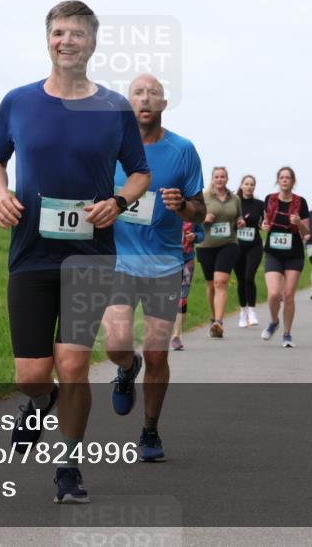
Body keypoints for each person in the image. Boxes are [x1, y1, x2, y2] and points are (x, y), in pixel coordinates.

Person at [0, 0, 151, 504]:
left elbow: (140, 173)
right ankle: (40, 401)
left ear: (92, 43)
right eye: (58, 32)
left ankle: (68, 467)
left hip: (90, 256)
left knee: (73, 364)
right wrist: (1, 194)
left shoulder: (114, 108)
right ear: (48, 39)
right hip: (31, 253)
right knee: (32, 375)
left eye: (77, 33)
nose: (67, 41)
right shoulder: (18, 102)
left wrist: (118, 202)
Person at [103, 73, 205, 463]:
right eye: (138, 93)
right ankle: (127, 368)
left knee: (158, 353)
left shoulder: (183, 150)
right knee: (116, 343)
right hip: (119, 262)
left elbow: (201, 210)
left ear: (164, 103)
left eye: (154, 93)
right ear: (127, 103)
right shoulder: (109, 147)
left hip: (164, 265)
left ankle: (149, 429)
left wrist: (183, 207)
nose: (146, 98)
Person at [259, 167, 310, 348]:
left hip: (294, 254)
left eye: (288, 178)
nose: (285, 180)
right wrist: (263, 226)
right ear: (278, 180)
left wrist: (299, 223)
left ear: (293, 181)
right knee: (274, 293)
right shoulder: (270, 199)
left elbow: (306, 233)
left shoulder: (301, 202)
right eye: (282, 177)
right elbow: (265, 222)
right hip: (273, 252)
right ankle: (274, 322)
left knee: (288, 295)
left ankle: (287, 334)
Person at [196, 167, 243, 339]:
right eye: (217, 176)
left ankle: (219, 322)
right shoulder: (203, 197)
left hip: (228, 244)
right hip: (206, 245)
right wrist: (203, 218)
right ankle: (213, 317)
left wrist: (240, 222)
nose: (220, 179)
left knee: (220, 282)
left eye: (223, 176)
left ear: (227, 179)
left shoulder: (235, 199)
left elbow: (238, 217)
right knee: (211, 285)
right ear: (212, 179)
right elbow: (193, 219)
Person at [233, 175, 265, 327]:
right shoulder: (234, 202)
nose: (249, 187)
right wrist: (236, 224)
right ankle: (243, 312)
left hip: (254, 245)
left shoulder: (259, 204)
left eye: (252, 184)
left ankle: (252, 311)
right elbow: (226, 220)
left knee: (249, 277)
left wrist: (264, 225)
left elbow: (264, 221)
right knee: (240, 279)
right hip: (237, 245)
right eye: (246, 184)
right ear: (241, 185)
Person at [171, 220, 203, 351]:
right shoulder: (165, 212)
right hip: (168, 260)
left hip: (187, 260)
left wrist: (195, 236)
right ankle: (170, 330)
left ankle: (176, 335)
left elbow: (201, 234)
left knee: (182, 297)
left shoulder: (192, 214)